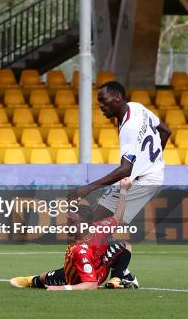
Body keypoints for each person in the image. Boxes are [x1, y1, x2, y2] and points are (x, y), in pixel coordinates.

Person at [67, 81, 171, 223]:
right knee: (98, 226)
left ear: (117, 97)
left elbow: (125, 169)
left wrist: (87, 188)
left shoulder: (129, 128)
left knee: (97, 227)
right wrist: (152, 161)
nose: (100, 106)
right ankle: (109, 245)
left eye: (103, 100)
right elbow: (166, 131)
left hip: (143, 179)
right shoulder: (137, 107)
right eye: (99, 102)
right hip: (147, 175)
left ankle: (113, 245)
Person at [11, 177, 138, 290]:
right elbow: (118, 216)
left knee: (123, 245)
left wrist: (63, 288)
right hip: (81, 269)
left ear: (86, 224)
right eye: (67, 220)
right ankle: (33, 280)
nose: (67, 225)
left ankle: (116, 277)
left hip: (90, 275)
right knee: (45, 277)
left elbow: (91, 285)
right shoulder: (96, 230)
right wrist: (123, 191)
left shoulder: (82, 245)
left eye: (71, 222)